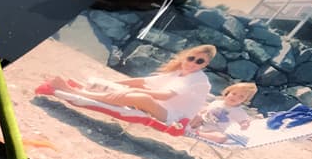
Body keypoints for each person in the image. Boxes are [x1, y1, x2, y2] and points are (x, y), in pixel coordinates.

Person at [40, 44, 216, 125]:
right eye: (191, 58)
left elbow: (165, 96)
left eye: (199, 61)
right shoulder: (178, 72)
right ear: (186, 56)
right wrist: (111, 83)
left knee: (140, 95)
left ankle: (71, 90)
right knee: (136, 90)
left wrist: (130, 89)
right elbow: (143, 81)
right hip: (160, 105)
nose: (193, 63)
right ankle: (81, 88)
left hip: (175, 115)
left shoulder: (196, 79)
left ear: (204, 65)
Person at [189, 82, 259, 144]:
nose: (235, 97)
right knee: (197, 115)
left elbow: (244, 120)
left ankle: (198, 133)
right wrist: (200, 112)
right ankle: (188, 127)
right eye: (234, 94)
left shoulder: (238, 111)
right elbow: (206, 110)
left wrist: (244, 124)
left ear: (245, 100)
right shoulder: (217, 102)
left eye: (241, 97)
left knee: (222, 138)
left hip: (214, 131)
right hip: (201, 123)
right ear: (228, 92)